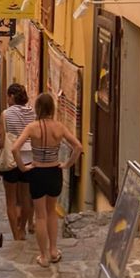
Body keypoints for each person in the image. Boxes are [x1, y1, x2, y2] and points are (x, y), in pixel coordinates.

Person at [11, 92, 83, 268]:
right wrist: (67, 164)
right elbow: (78, 146)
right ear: (52, 108)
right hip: (54, 172)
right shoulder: (59, 128)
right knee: (52, 212)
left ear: (37, 108)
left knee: (40, 216)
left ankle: (43, 256)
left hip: (37, 172)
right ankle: (53, 250)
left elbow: (15, 149)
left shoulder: (32, 127)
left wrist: (22, 167)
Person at [0, 83, 35, 240]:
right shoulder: (33, 113)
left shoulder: (5, 114)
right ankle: (22, 227)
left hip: (12, 160)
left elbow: (1, 141)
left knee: (11, 200)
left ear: (12, 96)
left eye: (8, 96)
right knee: (26, 198)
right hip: (29, 161)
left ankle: (16, 233)